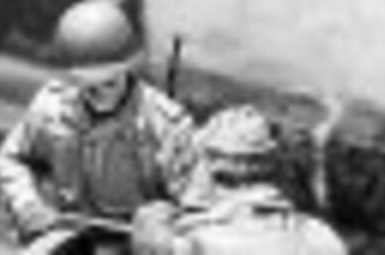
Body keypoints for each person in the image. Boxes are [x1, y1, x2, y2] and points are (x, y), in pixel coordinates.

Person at [0, 0, 197, 255]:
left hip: (138, 245)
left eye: (110, 84)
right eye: (87, 87)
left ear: (127, 69)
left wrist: (167, 219)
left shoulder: (165, 124)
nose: (100, 97)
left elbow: (199, 208)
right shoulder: (52, 108)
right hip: (71, 233)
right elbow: (11, 158)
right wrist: (27, 204)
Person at [131, 105, 348, 255]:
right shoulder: (320, 237)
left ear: (212, 169)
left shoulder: (191, 242)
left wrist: (151, 237)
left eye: (196, 163)